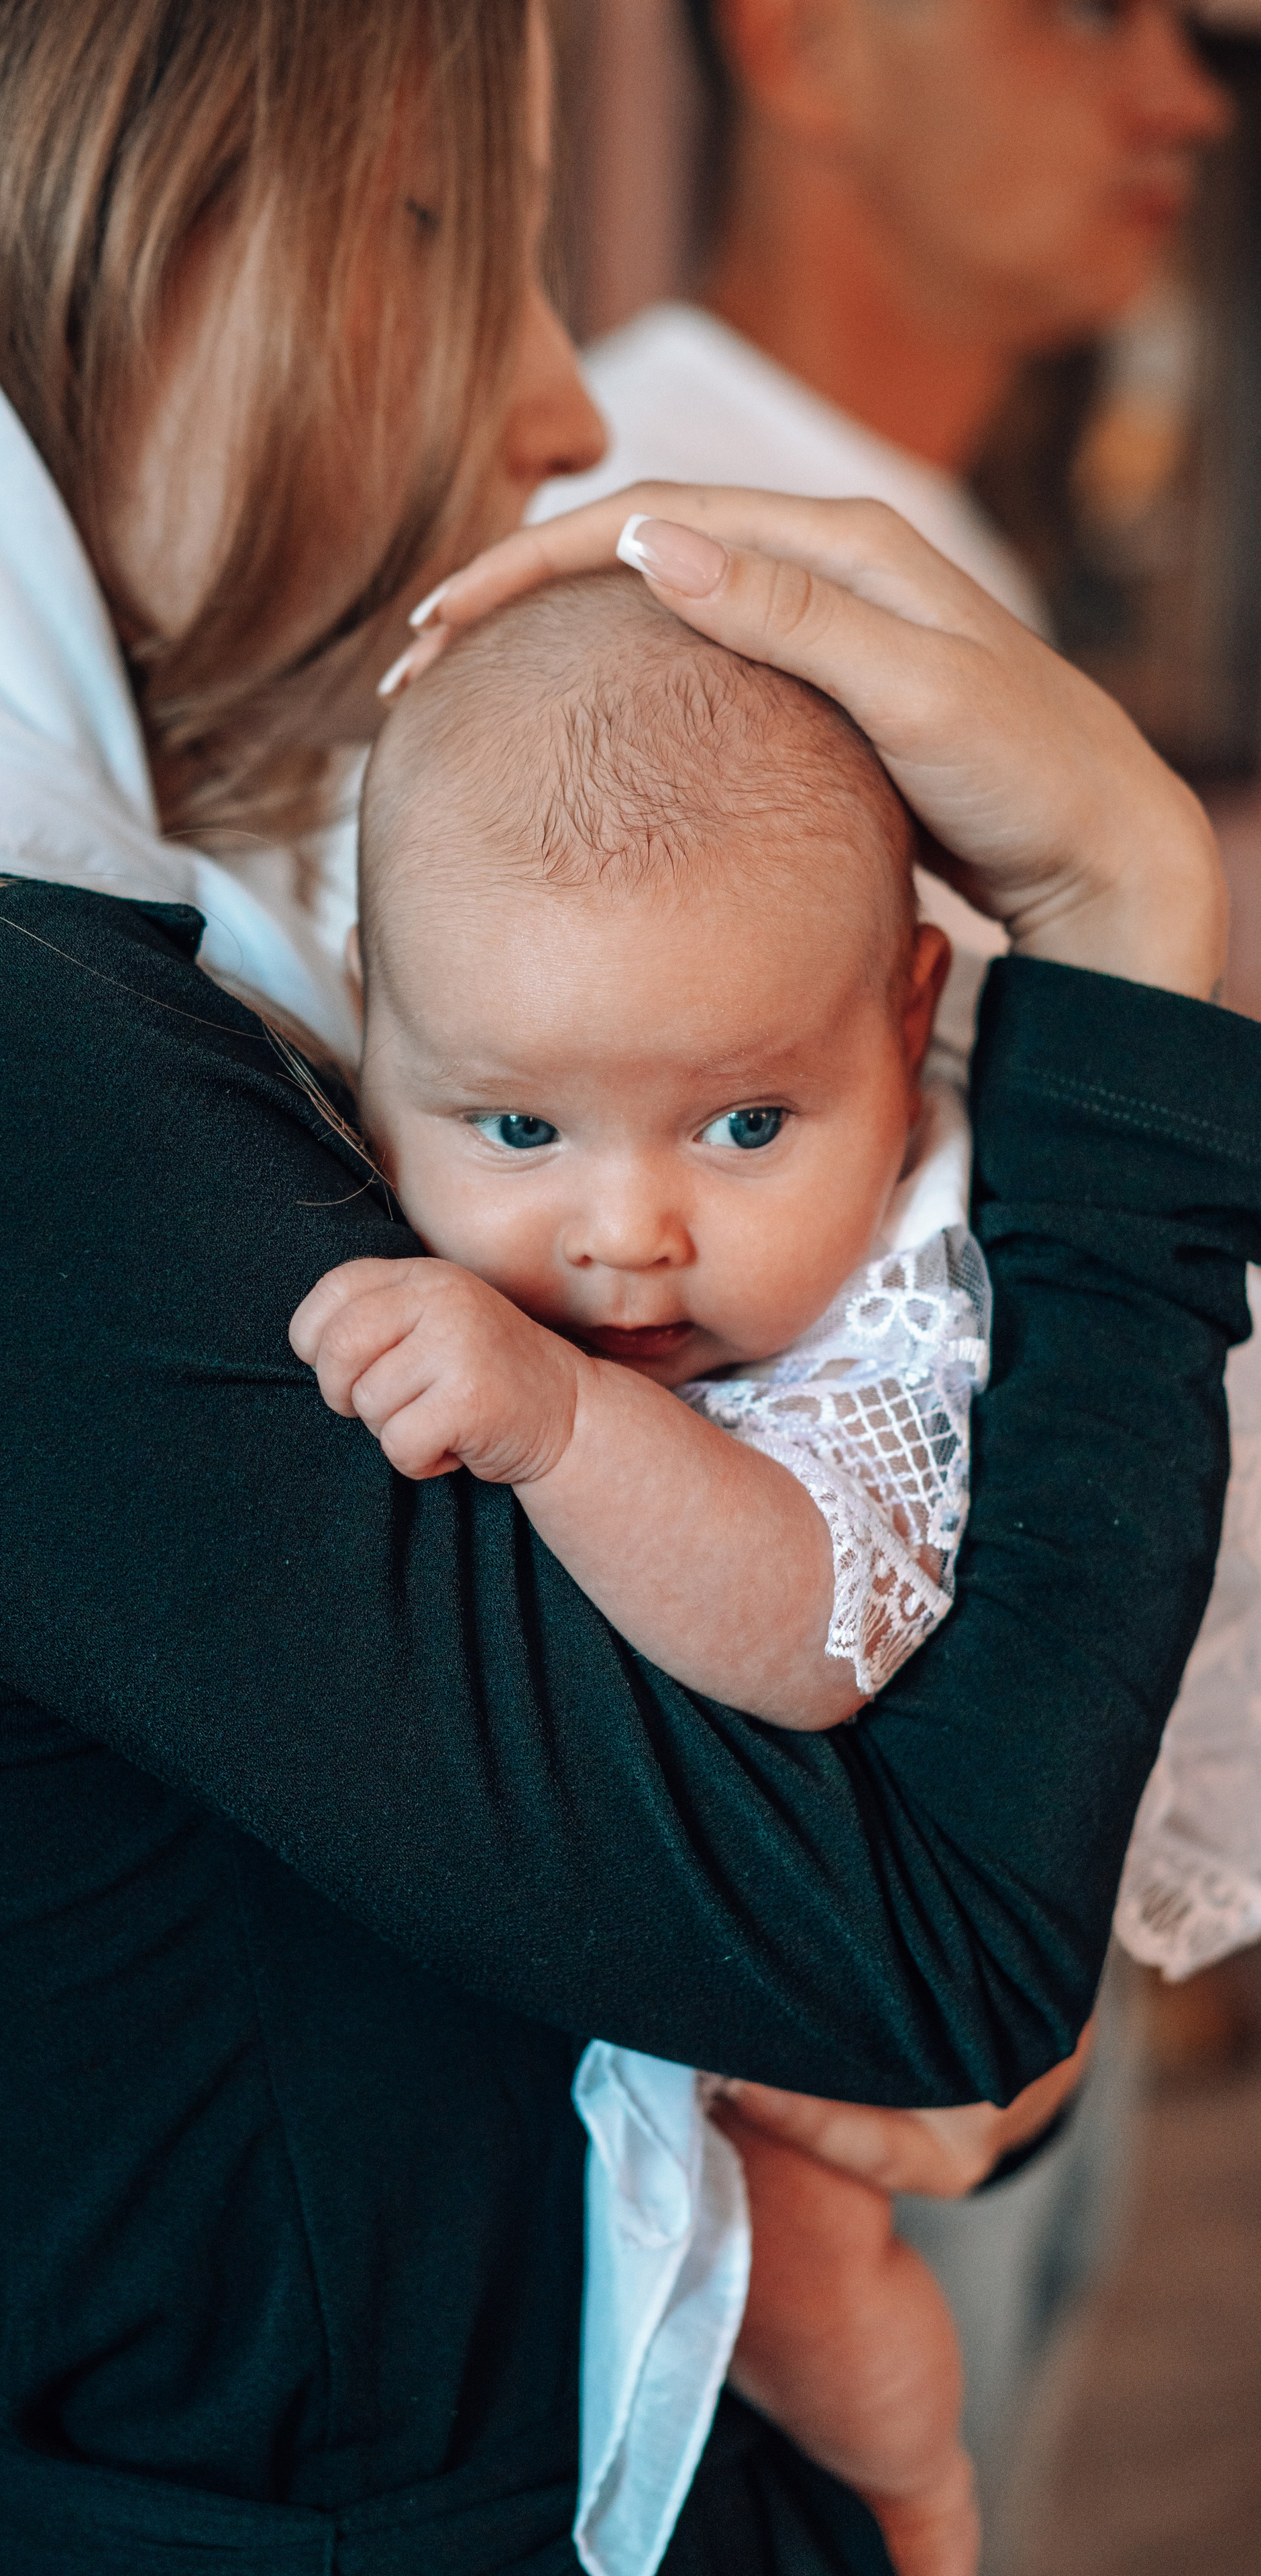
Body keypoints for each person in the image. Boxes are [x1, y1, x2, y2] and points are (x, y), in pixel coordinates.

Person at [0, 9, 1252, 2576]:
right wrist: (1129, 917)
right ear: (104, 243)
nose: (562, 403)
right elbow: (929, 1951)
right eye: (457, 241)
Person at [537, 0, 1240, 2517]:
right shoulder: (648, 551)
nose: (1181, 92)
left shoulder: (913, 534)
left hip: (1049, 1893)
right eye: (1091, 12)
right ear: (806, 37)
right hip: (861, 1970)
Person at [300, 566, 999, 2576]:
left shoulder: (893, 1315)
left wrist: (556, 1421)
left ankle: (930, 2515)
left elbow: (810, 1637)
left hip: (857, 1930)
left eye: (748, 1122)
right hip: (621, 1956)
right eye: (517, 1121)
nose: (628, 1237)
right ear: (373, 1016)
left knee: (809, 2287)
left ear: (909, 1018)